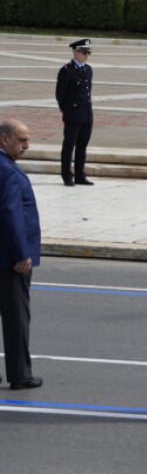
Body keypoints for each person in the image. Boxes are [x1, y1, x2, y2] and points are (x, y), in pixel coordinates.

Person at [0, 119, 43, 390]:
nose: (26, 146)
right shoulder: (9, 173)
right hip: (9, 260)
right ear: (4, 139)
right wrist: (21, 253)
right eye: (21, 140)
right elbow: (10, 214)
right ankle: (20, 374)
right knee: (17, 318)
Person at [56, 38, 95, 186]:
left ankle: (80, 174)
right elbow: (60, 95)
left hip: (86, 113)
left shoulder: (88, 69)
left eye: (88, 53)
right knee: (69, 145)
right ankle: (67, 175)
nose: (86, 56)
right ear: (75, 52)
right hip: (73, 114)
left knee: (82, 145)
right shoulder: (66, 71)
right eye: (83, 52)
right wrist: (67, 112)